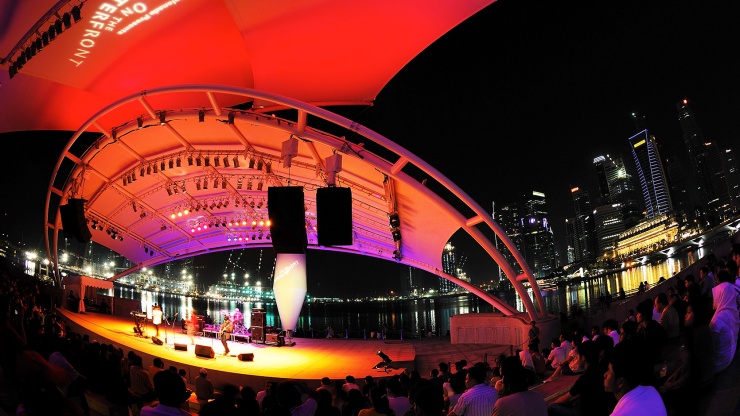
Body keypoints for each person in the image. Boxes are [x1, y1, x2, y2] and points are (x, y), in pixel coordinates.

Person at [604, 341, 667, 416]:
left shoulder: (620, 414)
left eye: (609, 371)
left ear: (620, 382)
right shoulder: (651, 390)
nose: (605, 375)